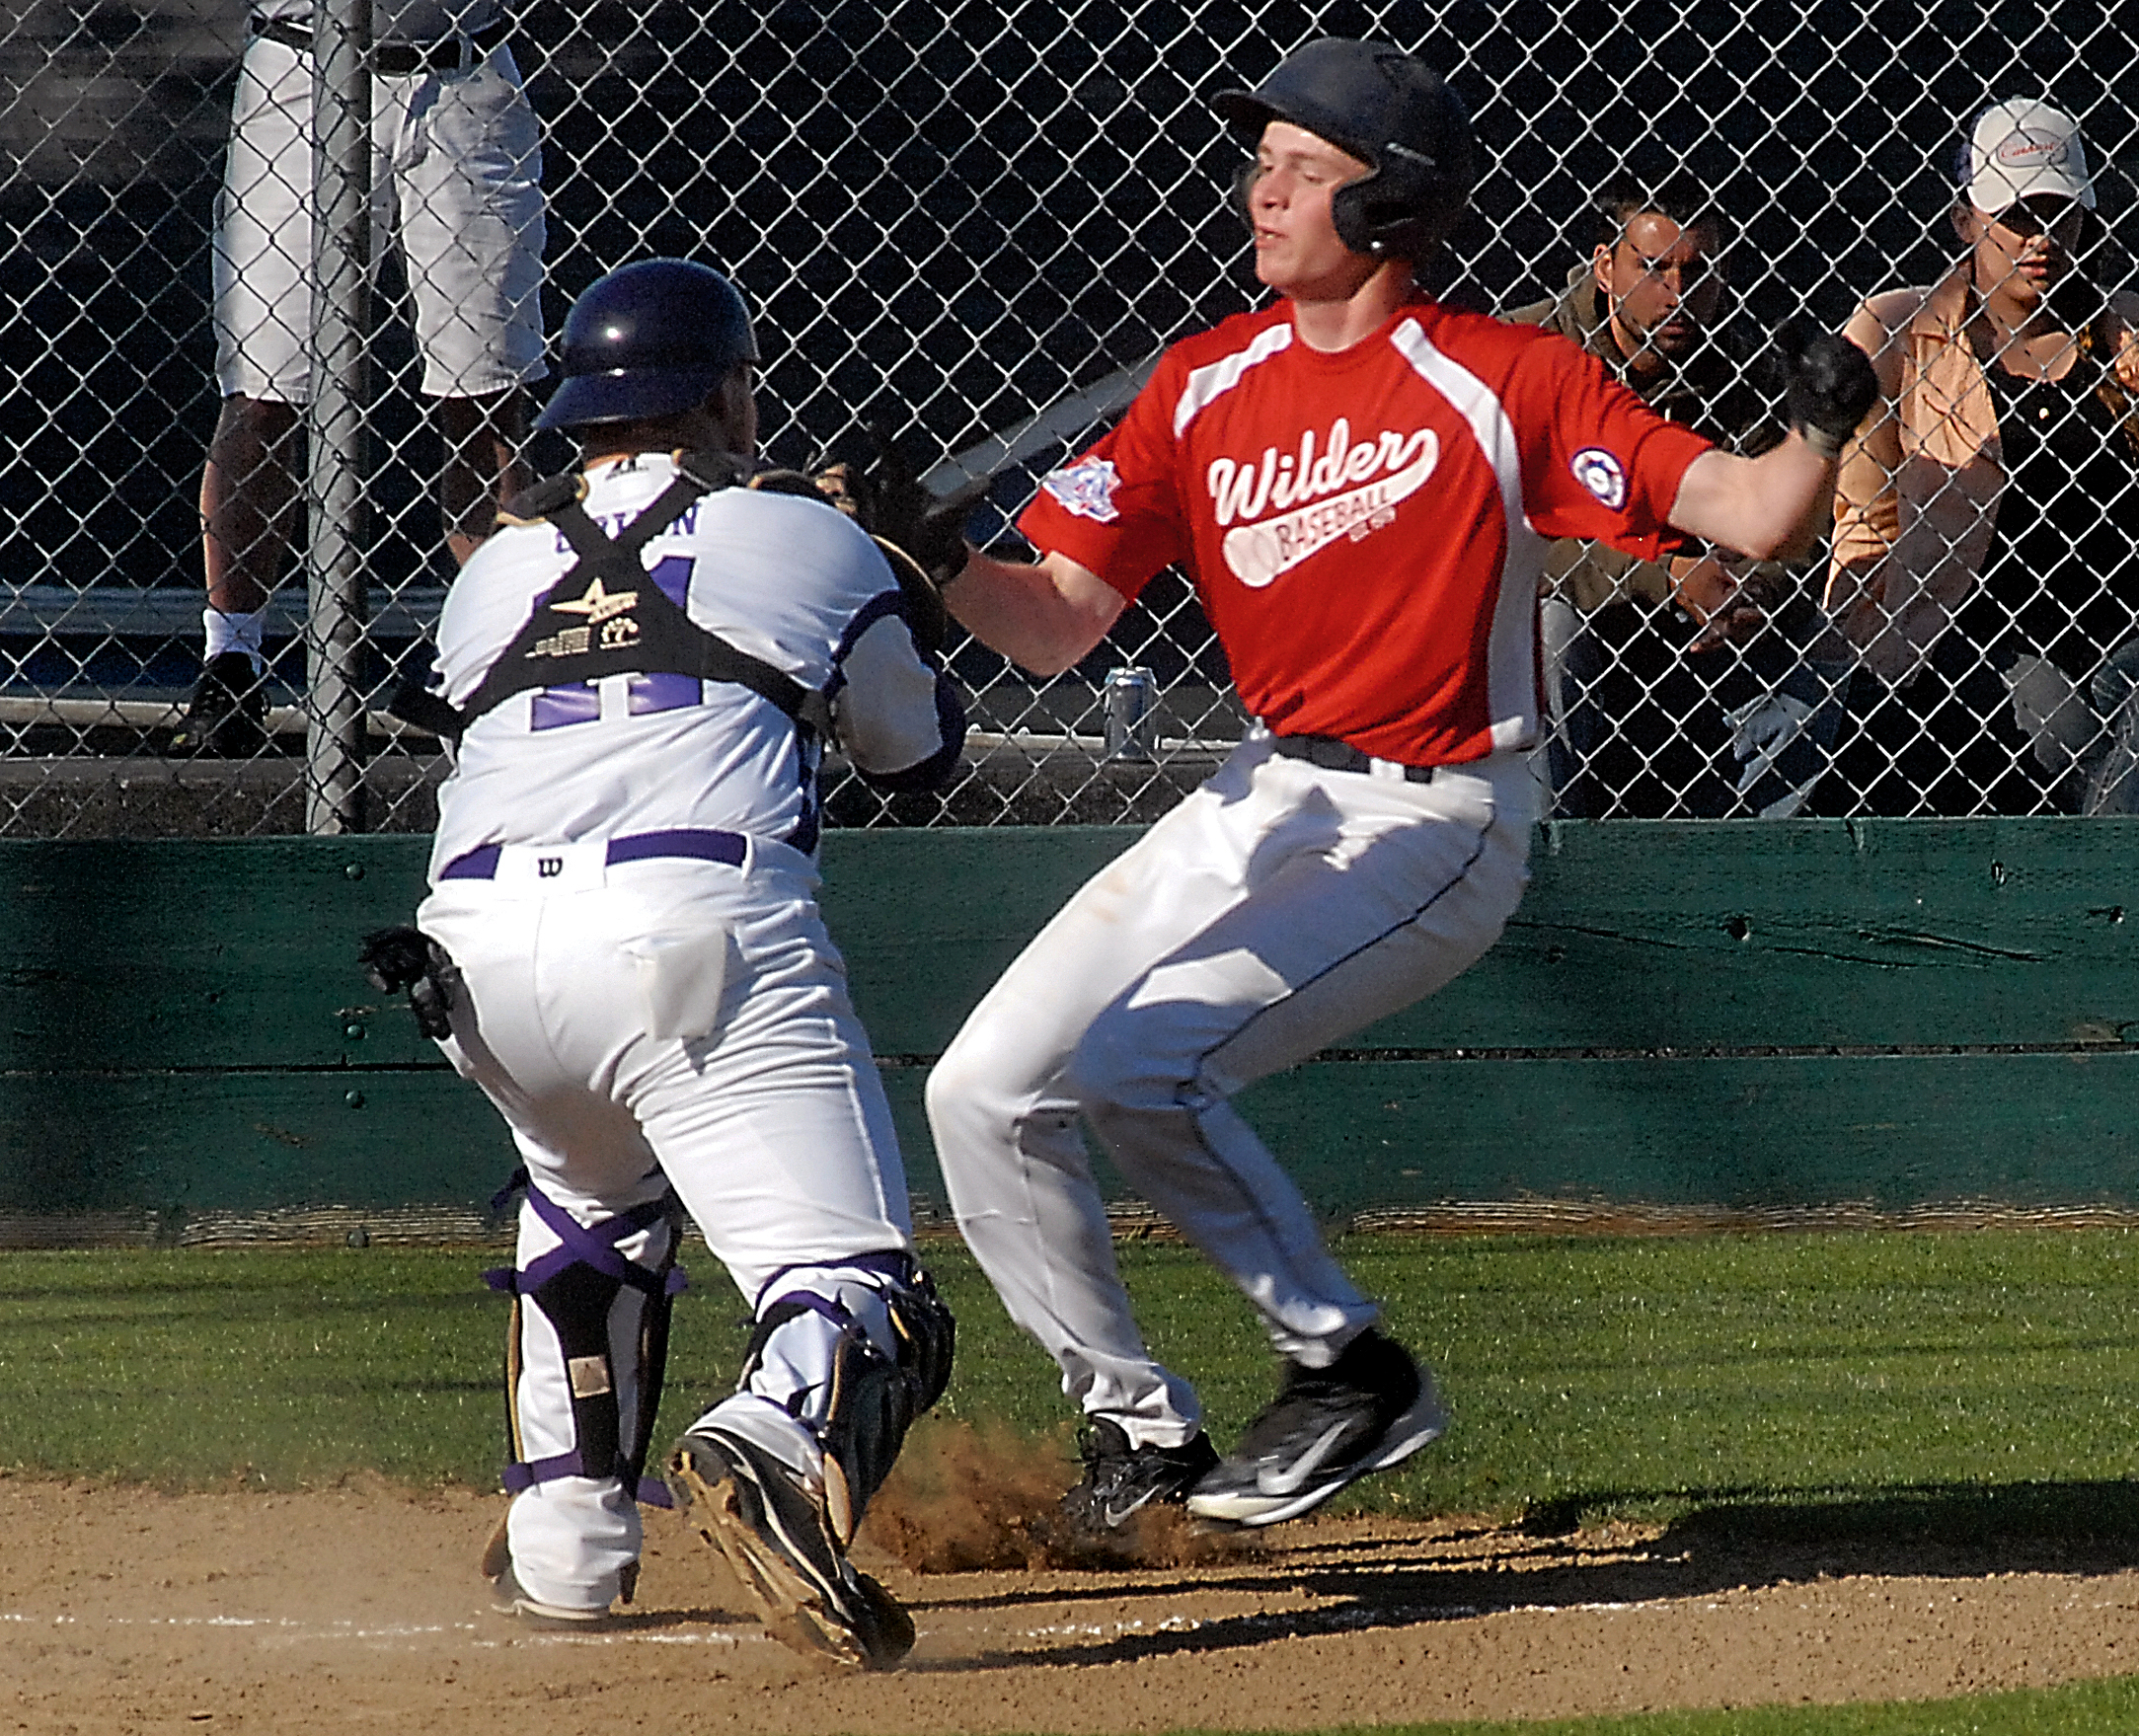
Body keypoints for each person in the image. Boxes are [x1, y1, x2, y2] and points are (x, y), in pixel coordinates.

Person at [912, 38, 1874, 1533]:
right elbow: (1052, 621)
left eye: (1303, 170)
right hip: (1260, 797)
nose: (1263, 192)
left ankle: (1345, 1367)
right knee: (978, 1090)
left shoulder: (1505, 378)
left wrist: (1816, 429)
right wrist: (932, 554)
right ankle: (1138, 1434)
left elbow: (1745, 514)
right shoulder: (1202, 383)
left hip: (1437, 813)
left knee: (1136, 1065)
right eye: (1262, 164)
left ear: (1388, 205)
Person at [362, 260, 963, 1669]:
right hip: (691, 929)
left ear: (582, 414)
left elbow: (475, 695)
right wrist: (891, 563)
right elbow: (915, 755)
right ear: (727, 397)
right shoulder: (807, 540)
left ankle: (566, 1546)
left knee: (587, 1209)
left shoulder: (493, 566)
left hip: (475, 962)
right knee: (859, 1293)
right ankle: (771, 1437)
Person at [171, 0, 548, 756]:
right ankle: (231, 659)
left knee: (481, 393)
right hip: (298, 69)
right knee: (264, 387)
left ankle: (499, 663)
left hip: (462, 69)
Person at [1825, 99, 2139, 814]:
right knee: (2053, 722)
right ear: (1966, 220)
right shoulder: (1898, 330)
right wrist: (1875, 645)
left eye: (2060, 213)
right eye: (2017, 215)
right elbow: (1863, 513)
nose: (2041, 238)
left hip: (2119, 633)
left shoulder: (2125, 334)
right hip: (1976, 639)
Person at [1505, 179, 1838, 817]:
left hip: (1703, 621)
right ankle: (1547, 852)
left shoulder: (1749, 369)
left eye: (1699, 271)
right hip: (1581, 602)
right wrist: (1664, 576)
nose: (1678, 294)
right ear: (1606, 267)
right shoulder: (1529, 351)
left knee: (1820, 641)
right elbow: (1506, 532)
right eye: (1654, 269)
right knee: (1551, 628)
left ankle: (1751, 859)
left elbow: (1798, 533)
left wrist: (1751, 592)